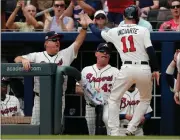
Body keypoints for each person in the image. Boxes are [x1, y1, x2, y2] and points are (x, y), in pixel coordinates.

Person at [83, 5, 160, 136]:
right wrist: (156, 69)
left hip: (127, 67)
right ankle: (132, 128)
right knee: (145, 99)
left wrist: (90, 24)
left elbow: (97, 33)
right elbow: (151, 51)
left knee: (113, 100)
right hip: (144, 67)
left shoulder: (115, 31)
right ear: (137, 17)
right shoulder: (143, 29)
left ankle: (114, 131)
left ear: (124, 17)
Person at [14, 14, 88, 125]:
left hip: (58, 97)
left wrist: (84, 28)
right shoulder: (37, 56)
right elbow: (16, 59)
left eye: (58, 39)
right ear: (46, 43)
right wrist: (23, 60)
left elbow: (78, 42)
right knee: (36, 126)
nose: (58, 41)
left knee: (56, 127)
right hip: (40, 97)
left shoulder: (65, 54)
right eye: (54, 39)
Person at [76, 43, 119, 135]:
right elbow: (78, 89)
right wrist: (90, 91)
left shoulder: (115, 71)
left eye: (107, 52)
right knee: (91, 132)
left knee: (110, 127)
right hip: (90, 105)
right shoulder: (86, 70)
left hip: (107, 105)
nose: (105, 53)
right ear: (96, 53)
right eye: (102, 51)